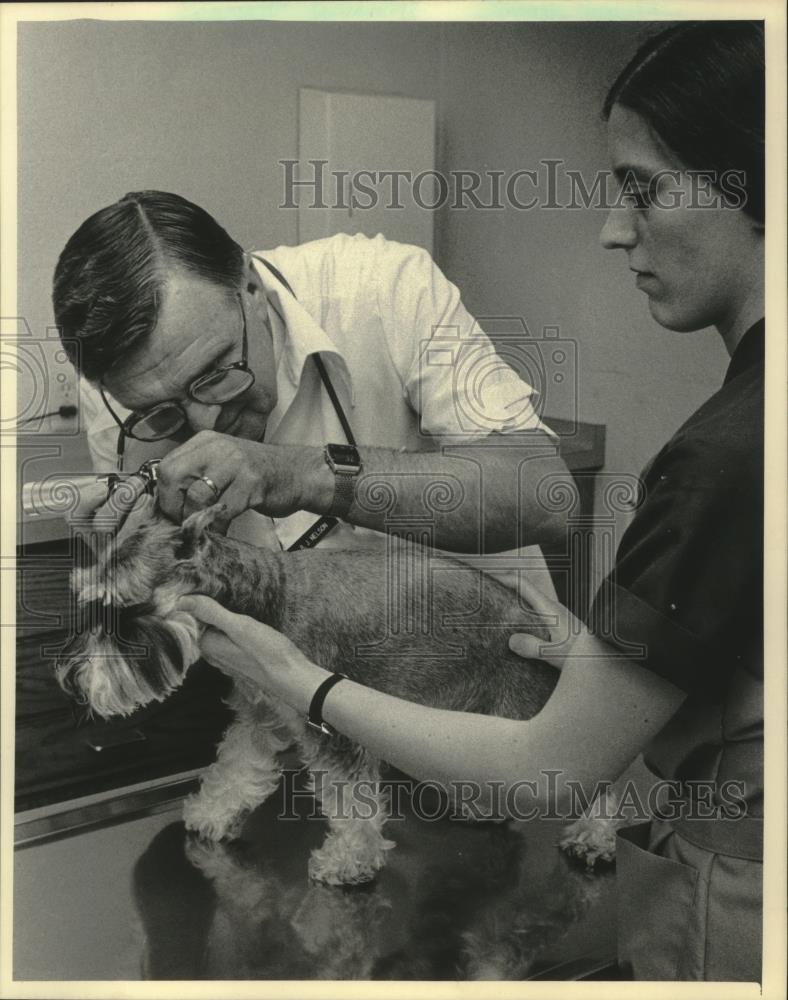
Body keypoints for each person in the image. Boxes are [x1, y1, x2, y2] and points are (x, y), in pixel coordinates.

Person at [177, 21, 765, 982]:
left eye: (643, 188)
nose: (615, 229)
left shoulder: (719, 455)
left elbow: (546, 773)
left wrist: (307, 686)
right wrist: (610, 667)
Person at [54, 192, 570, 556]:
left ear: (251, 286)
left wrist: (298, 475)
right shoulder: (115, 396)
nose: (206, 421)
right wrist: (135, 553)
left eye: (215, 371)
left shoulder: (385, 286)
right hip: (282, 694)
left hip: (475, 668)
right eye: (162, 412)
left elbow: (544, 496)